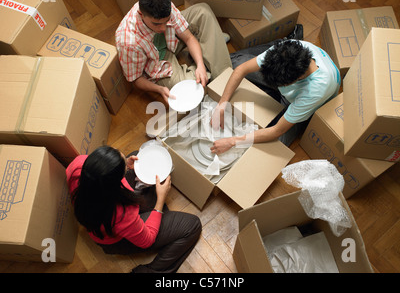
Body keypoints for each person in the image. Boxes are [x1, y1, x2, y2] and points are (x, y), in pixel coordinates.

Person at [66, 145, 202, 273]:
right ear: (114, 185)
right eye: (123, 170)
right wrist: (160, 199)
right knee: (193, 225)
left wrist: (125, 162)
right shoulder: (122, 213)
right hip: (116, 239)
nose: (126, 165)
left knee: (137, 157)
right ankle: (151, 271)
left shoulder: (77, 166)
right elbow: (147, 240)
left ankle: (158, 215)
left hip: (104, 215)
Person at [210, 38, 341, 153]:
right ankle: (274, 94)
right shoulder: (285, 49)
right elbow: (242, 69)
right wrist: (221, 105)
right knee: (234, 62)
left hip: (302, 101)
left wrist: (233, 141)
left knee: (277, 143)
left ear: (297, 79)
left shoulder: (316, 90)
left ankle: (276, 96)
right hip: (290, 79)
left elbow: (277, 131)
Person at [115, 0, 232, 104]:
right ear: (141, 14)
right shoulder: (128, 42)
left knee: (203, 11)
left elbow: (188, 38)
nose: (163, 28)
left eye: (167, 21)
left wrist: (201, 64)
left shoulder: (163, 6)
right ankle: (212, 48)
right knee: (187, 90)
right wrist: (159, 89)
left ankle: (224, 76)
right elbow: (136, 79)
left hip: (172, 39)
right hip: (155, 63)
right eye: (156, 24)